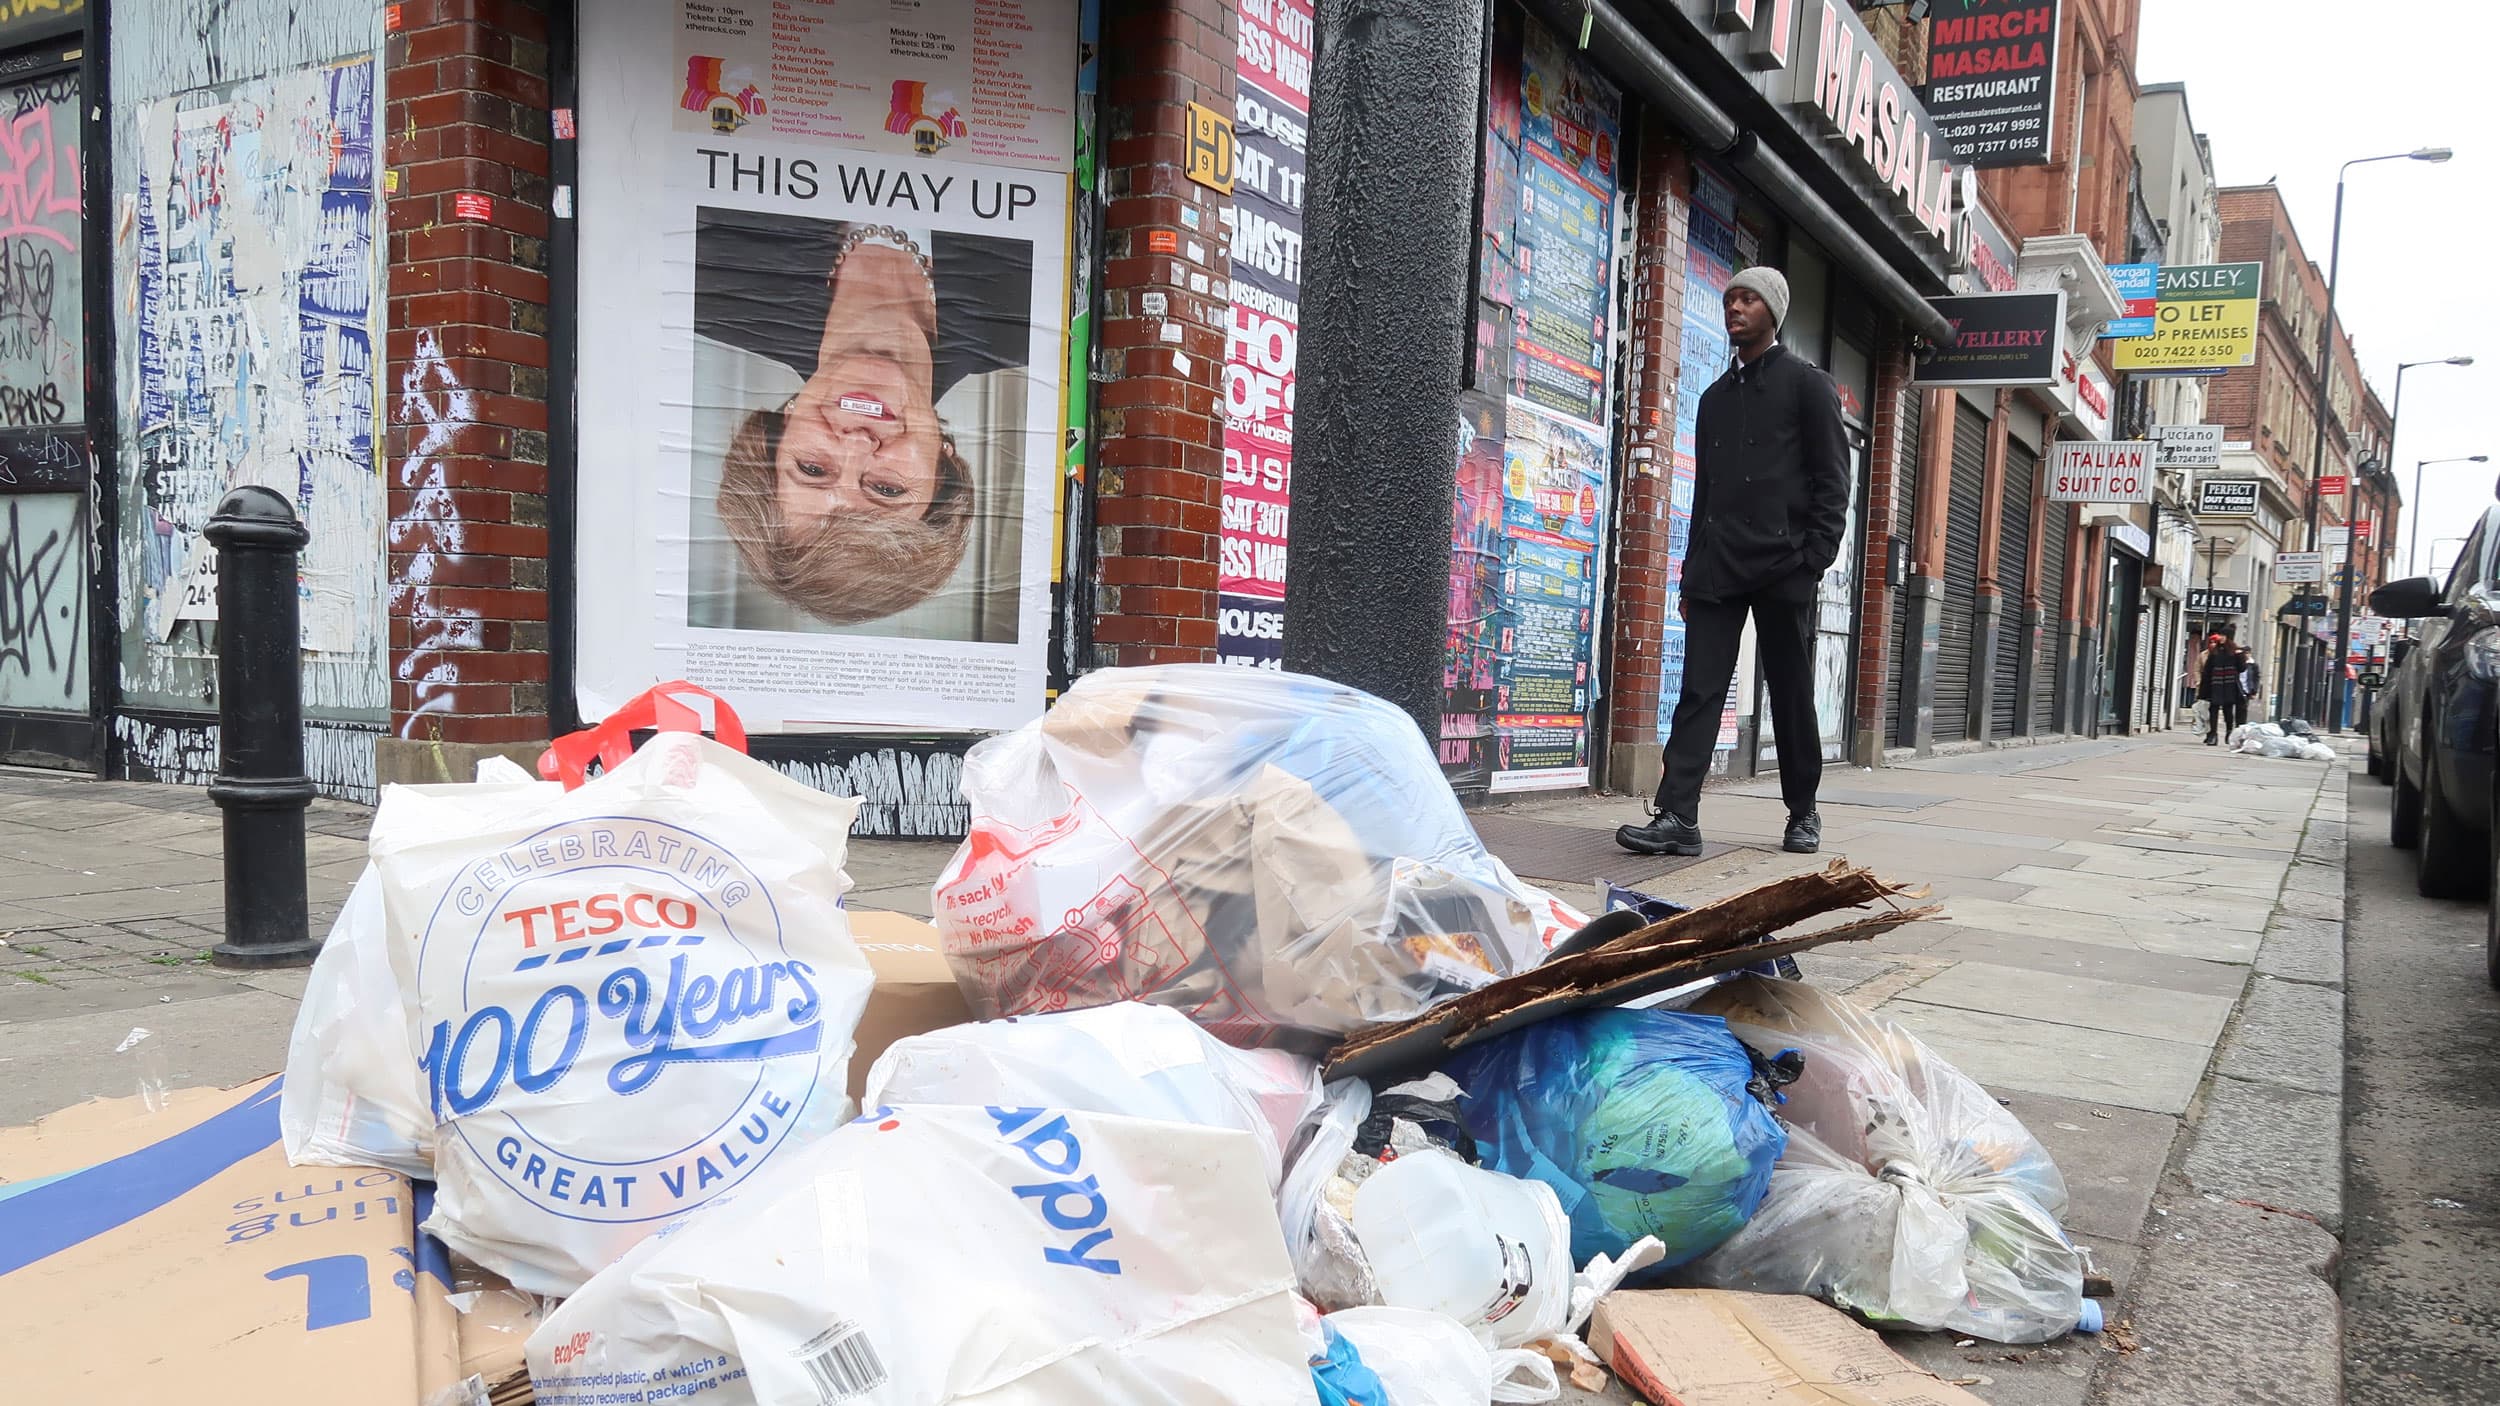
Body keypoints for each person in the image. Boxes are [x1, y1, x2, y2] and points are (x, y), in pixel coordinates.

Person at [699, 213, 1030, 627]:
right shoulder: (1034, 314)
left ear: (781, 431)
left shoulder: (708, 278)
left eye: (812, 468)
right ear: (943, 466)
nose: (857, 443)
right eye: (887, 489)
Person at [1618, 266, 1848, 858]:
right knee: (1699, 690)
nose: (1735, 308)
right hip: (1717, 566)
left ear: (1774, 312)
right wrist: (1690, 572)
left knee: (1790, 692)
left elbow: (1832, 484)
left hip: (1783, 566)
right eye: (1730, 299)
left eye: (1748, 300)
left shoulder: (1808, 385)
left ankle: (1803, 811)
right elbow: (1707, 494)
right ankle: (1678, 816)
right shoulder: (1714, 399)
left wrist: (1812, 561)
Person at [2198, 631, 2251, 745]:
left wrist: (2240, 656)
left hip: (2229, 685)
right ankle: (2213, 735)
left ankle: (2229, 732)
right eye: (2220, 635)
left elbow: (2242, 668)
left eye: (2223, 635)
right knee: (2213, 709)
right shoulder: (2215, 652)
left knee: (2228, 710)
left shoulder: (2235, 652)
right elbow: (2207, 670)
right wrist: (2203, 689)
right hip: (2215, 685)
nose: (2220, 638)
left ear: (2228, 637)